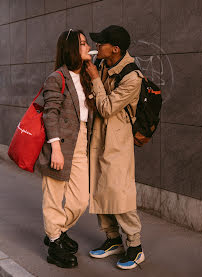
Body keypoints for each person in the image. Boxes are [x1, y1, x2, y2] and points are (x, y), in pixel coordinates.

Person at [86, 25, 145, 270]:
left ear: (115, 49)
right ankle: (113, 239)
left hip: (118, 141)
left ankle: (135, 246)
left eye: (101, 44)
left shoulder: (132, 77)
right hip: (99, 136)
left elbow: (108, 108)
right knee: (99, 188)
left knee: (119, 192)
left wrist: (96, 81)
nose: (97, 47)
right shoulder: (103, 64)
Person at [39, 29, 94, 268]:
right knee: (54, 195)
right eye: (82, 44)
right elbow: (50, 114)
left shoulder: (85, 76)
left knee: (81, 199)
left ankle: (57, 231)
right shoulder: (57, 77)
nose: (87, 46)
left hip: (81, 141)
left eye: (86, 43)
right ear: (71, 48)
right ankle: (54, 242)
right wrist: (56, 149)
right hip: (59, 142)